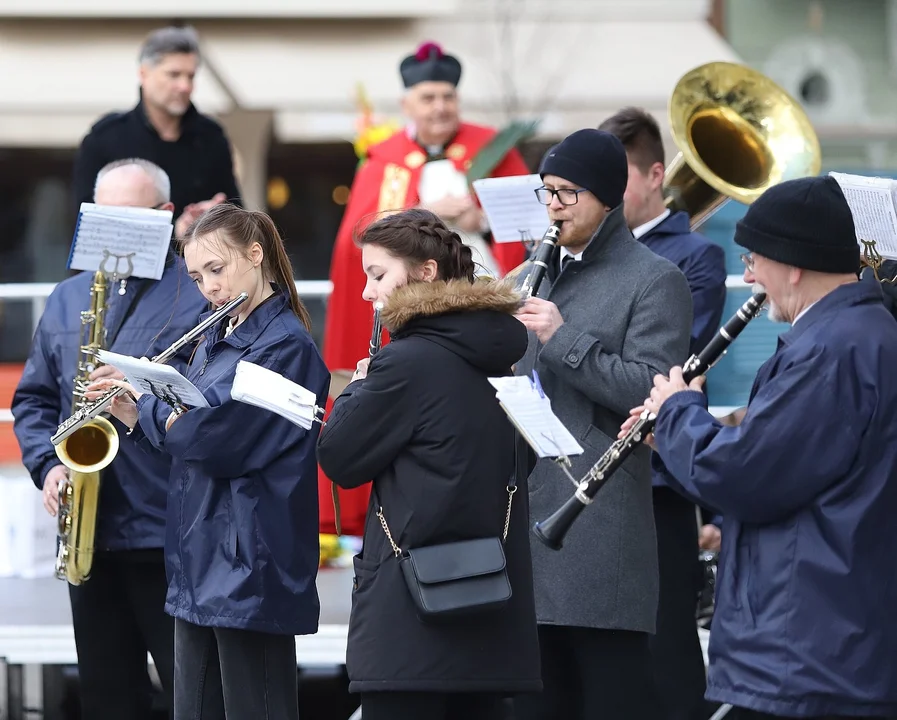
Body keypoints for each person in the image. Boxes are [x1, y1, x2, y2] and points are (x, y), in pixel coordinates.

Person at [625, 175, 897, 719]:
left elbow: (748, 474)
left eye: (753, 258)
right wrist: (672, 441)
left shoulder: (835, 348)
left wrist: (679, 410)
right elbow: (784, 463)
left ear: (793, 264)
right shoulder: (855, 334)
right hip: (823, 639)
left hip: (807, 648)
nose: (747, 275)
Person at [88, 202, 329, 720]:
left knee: (254, 709)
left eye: (216, 270)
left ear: (255, 254)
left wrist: (152, 409)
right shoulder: (212, 338)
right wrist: (135, 409)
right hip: (199, 554)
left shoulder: (287, 345)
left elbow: (217, 442)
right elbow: (186, 435)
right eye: (197, 277)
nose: (208, 288)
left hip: (250, 562)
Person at [317, 208, 542, 720]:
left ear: (425, 273)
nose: (367, 294)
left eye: (377, 275)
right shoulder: (501, 355)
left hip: (409, 618)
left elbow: (339, 457)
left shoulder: (406, 361)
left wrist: (357, 387)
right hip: (491, 612)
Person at [11, 158, 209, 720]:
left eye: (133, 216)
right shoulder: (67, 297)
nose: (116, 231)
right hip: (89, 535)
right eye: (104, 217)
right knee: (107, 696)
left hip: (168, 532)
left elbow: (208, 406)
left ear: (167, 216)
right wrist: (49, 465)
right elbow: (33, 400)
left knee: (190, 694)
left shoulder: (197, 298)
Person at [513, 129, 693, 720]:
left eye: (570, 193)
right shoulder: (528, 274)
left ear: (610, 196)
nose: (555, 206)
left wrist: (561, 337)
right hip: (525, 507)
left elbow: (650, 389)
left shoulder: (654, 278)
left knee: (608, 697)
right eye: (547, 192)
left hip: (599, 521)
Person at [320, 41, 532, 537]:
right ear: (408, 104)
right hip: (412, 321)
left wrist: (478, 216)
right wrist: (425, 211)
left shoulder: (492, 148)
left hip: (479, 300)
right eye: (428, 97)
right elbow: (360, 243)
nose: (439, 106)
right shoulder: (385, 159)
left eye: (447, 96)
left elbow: (529, 226)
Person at [599, 106, 727, 720]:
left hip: (657, 473)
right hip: (593, 465)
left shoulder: (693, 255)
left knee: (667, 639)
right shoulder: (589, 252)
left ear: (656, 175)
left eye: (617, 176)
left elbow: (667, 361)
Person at [72, 25, 241, 234]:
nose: (185, 86)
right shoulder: (105, 138)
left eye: (190, 76)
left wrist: (218, 216)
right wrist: (175, 232)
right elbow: (87, 228)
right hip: (122, 265)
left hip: (197, 265)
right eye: (174, 74)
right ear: (144, 74)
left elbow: (237, 216)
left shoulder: (212, 137)